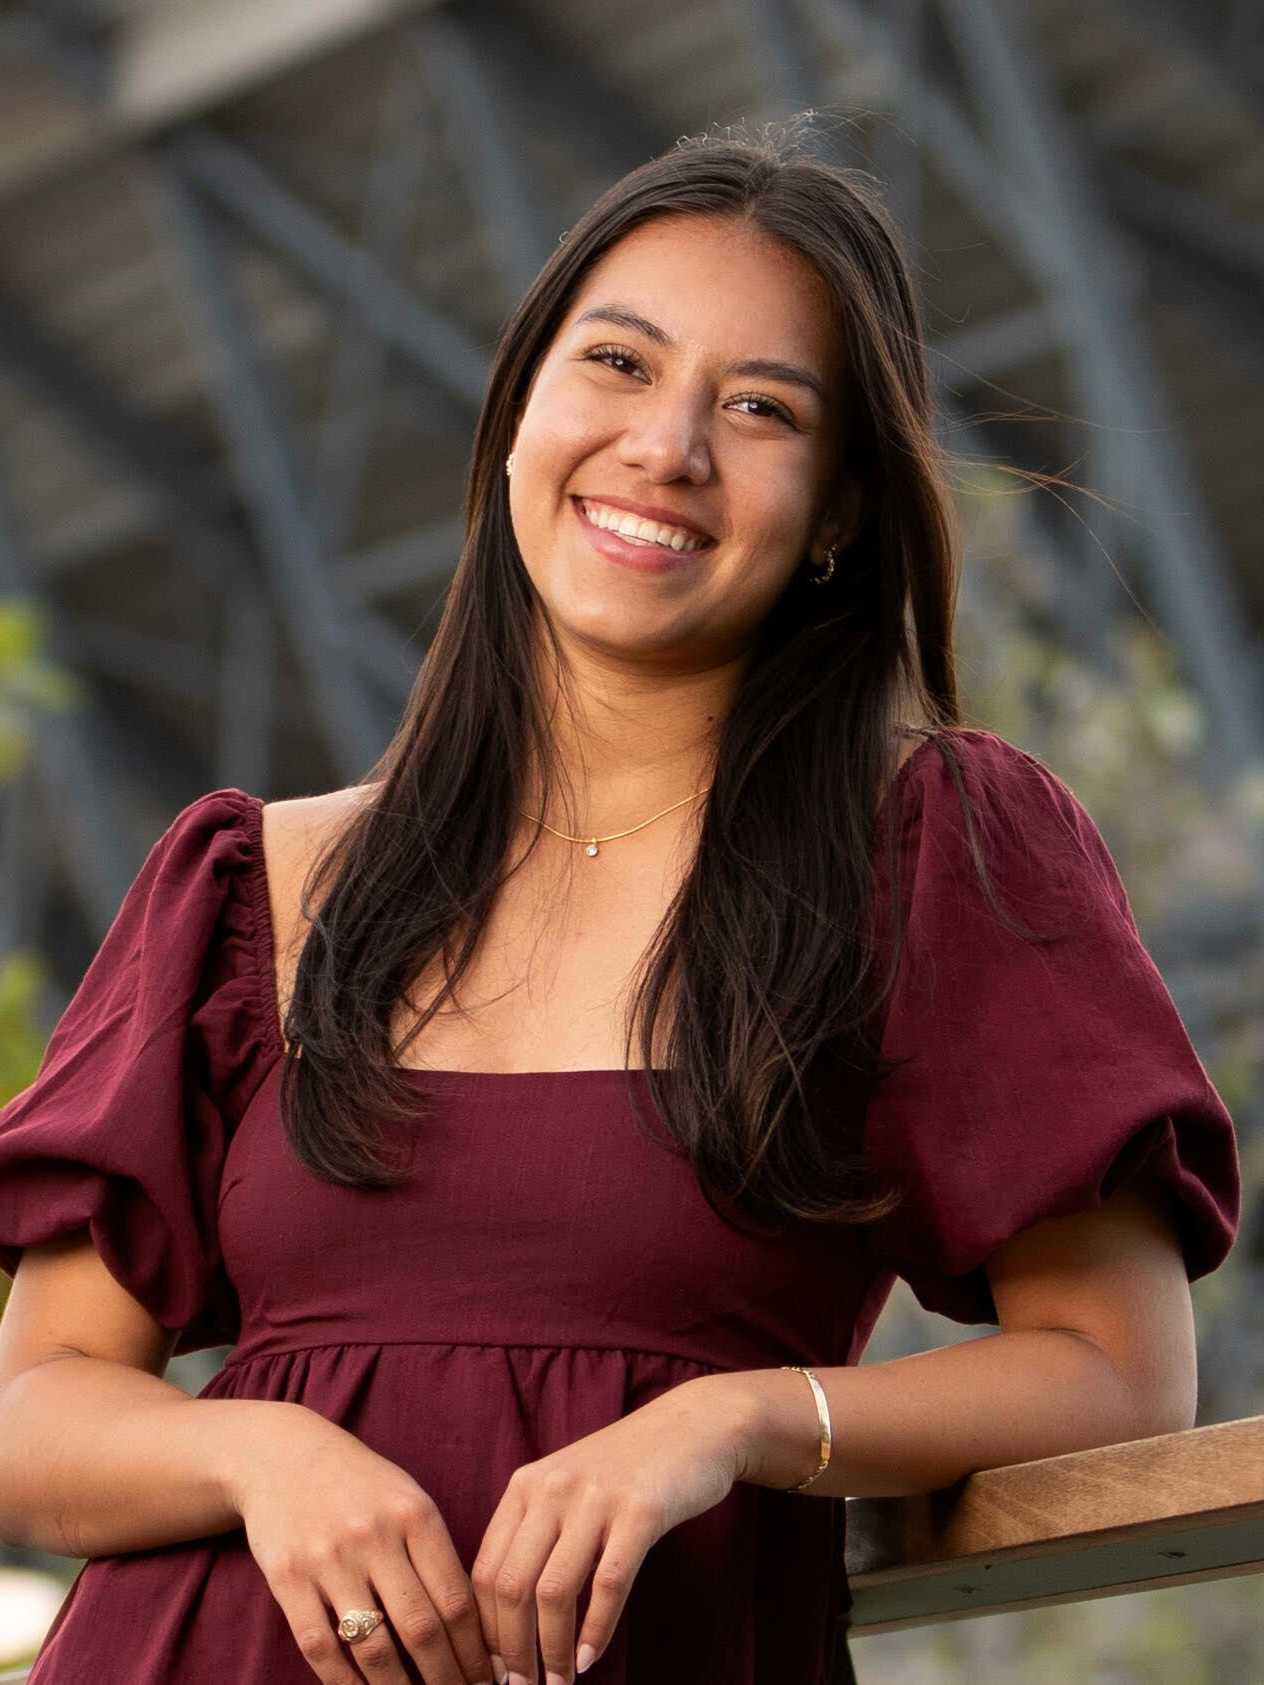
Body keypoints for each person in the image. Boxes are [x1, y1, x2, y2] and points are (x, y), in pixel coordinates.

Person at [0, 127, 1238, 1685]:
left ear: (840, 506)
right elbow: (33, 1412)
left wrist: (733, 1420)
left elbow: (1120, 1374)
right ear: (519, 410)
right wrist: (261, 1456)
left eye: (760, 407)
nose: (667, 449)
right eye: (619, 366)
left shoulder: (937, 847)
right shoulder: (258, 885)